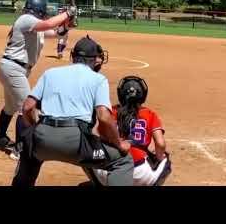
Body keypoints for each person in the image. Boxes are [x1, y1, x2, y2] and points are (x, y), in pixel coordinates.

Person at [11, 35, 134, 186]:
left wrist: (35, 129)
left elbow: (28, 107)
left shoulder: (50, 73)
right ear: (95, 59)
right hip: (76, 141)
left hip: (43, 136)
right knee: (122, 161)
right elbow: (104, 117)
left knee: (29, 152)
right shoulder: (98, 79)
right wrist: (118, 143)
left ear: (72, 56)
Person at [0, 0, 77, 160]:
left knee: (10, 107)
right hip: (13, 69)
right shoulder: (26, 19)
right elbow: (49, 24)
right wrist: (67, 13)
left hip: (13, 69)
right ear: (39, 10)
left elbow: (56, 32)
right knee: (26, 108)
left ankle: (0, 136)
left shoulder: (35, 26)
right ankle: (19, 148)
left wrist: (67, 25)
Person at [91, 76, 172, 186]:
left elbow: (94, 134)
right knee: (165, 158)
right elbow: (160, 144)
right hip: (140, 174)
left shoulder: (110, 112)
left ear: (120, 94)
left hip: (109, 172)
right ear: (143, 95)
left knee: (89, 154)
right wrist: (158, 157)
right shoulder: (149, 114)